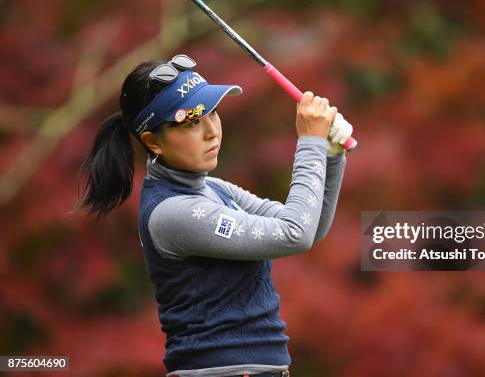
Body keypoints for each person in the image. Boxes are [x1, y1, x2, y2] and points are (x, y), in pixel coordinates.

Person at [75, 53, 351, 377]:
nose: (211, 132)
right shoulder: (172, 213)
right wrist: (310, 142)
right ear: (153, 142)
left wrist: (331, 157)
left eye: (212, 113)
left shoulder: (216, 189)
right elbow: (295, 232)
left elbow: (308, 226)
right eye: (192, 122)